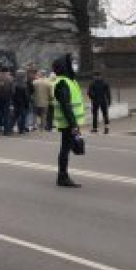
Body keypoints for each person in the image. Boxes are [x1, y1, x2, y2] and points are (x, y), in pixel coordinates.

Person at [52, 54, 85, 187]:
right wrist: (74, 125)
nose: (74, 65)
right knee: (65, 148)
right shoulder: (62, 83)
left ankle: (63, 175)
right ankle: (62, 176)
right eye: (72, 63)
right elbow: (66, 106)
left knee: (67, 147)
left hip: (70, 122)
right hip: (68, 123)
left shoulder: (70, 81)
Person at [0, 67, 14, 136]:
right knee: (6, 115)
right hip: (7, 99)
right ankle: (6, 131)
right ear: (7, 71)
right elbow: (12, 91)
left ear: (1, 71)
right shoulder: (11, 79)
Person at [12, 69, 30, 134]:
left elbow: (12, 93)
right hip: (22, 103)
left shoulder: (14, 83)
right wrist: (27, 104)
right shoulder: (24, 85)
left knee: (14, 116)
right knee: (22, 117)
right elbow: (26, 96)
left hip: (15, 102)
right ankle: (21, 129)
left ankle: (9, 127)